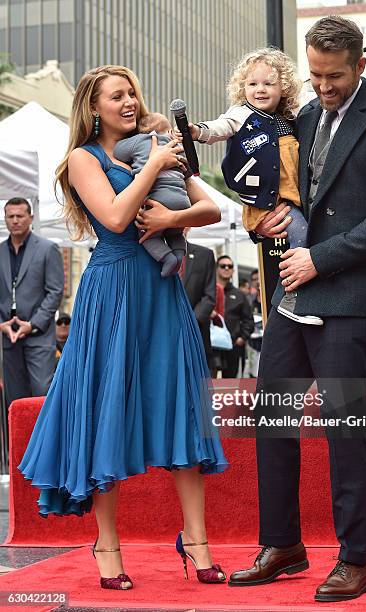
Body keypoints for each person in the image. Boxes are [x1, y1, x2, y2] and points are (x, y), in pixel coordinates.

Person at [228, 17, 366, 602]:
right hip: (293, 298)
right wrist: (268, 218)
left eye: (333, 76)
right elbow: (282, 188)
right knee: (275, 420)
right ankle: (282, 544)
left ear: (360, 65)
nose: (321, 86)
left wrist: (320, 257)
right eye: (313, 74)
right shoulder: (303, 116)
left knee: (342, 429)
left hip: (346, 299)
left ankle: (355, 561)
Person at [18, 65, 228, 591]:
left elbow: (210, 208)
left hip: (161, 293)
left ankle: (197, 542)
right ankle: (106, 545)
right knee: (103, 413)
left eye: (133, 92)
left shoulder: (153, 141)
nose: (130, 101)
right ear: (94, 107)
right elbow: (113, 219)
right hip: (111, 295)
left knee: (179, 408)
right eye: (118, 96)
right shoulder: (82, 159)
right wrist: (154, 162)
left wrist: (168, 220)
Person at [177, 48, 322, 326]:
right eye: (253, 83)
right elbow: (221, 127)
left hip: (292, 199)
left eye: (269, 83)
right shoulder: (242, 114)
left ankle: (301, 294)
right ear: (242, 87)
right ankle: (294, 296)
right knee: (303, 237)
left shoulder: (290, 117)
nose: (261, 89)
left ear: (284, 88)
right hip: (270, 203)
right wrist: (196, 131)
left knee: (308, 237)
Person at [0, 198, 64, 408]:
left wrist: (33, 324)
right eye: (11, 216)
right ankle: (17, 443)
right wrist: (2, 324)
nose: (15, 221)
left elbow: (55, 292)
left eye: (20, 216)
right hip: (8, 337)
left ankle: (44, 442)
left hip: (39, 336)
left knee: (41, 398)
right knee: (14, 401)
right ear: (5, 219)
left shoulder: (48, 249)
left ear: (31, 218)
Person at [113, 112, 190, 277]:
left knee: (148, 236)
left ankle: (167, 258)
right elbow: (186, 169)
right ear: (169, 131)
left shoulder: (141, 140)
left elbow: (118, 151)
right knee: (175, 232)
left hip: (157, 198)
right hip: (182, 199)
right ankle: (178, 255)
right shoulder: (175, 145)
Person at [180, 232, 217, 371]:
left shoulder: (204, 255)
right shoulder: (155, 253)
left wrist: (190, 321)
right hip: (163, 330)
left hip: (196, 329)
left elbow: (209, 295)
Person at [216, 255, 254, 378]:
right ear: (216, 269)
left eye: (230, 266)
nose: (226, 268)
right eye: (223, 266)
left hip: (233, 346)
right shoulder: (208, 291)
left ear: (233, 271)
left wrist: (242, 338)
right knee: (208, 383)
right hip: (210, 347)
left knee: (231, 385)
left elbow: (248, 320)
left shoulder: (239, 295)